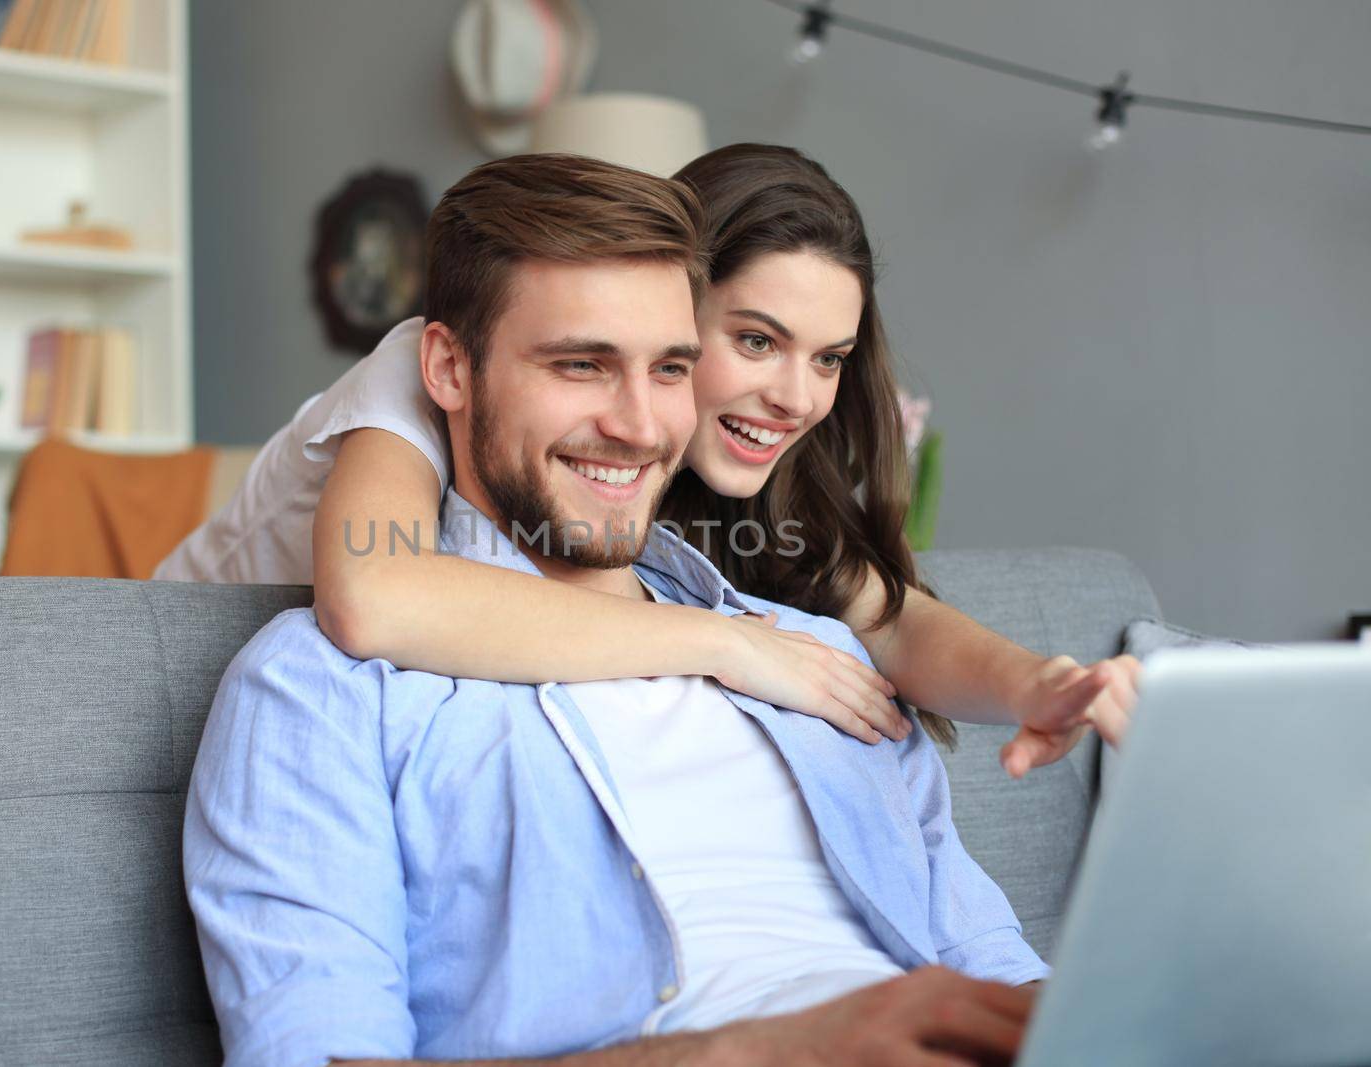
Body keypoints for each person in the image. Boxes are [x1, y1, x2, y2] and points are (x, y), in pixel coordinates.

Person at [186, 153, 1056, 1067]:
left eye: (673, 367)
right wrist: (763, 1051)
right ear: (446, 365)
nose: (641, 427)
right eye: (581, 364)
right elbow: (372, 594)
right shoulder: (327, 689)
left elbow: (992, 966)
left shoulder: (808, 653)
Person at [157, 144, 1137, 777]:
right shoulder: (423, 379)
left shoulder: (683, 492)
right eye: (753, 340)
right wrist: (726, 645)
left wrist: (1037, 685)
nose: (796, 396)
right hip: (164, 652)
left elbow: (886, 617)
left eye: (827, 357)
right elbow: (376, 593)